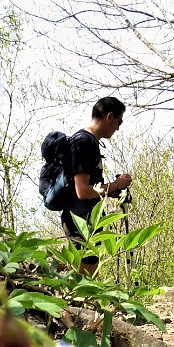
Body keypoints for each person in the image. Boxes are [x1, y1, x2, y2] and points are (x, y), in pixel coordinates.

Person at [61, 97, 132, 275]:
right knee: (86, 274)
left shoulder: (89, 142)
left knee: (86, 271)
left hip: (86, 218)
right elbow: (83, 191)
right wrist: (116, 183)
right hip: (81, 219)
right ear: (109, 116)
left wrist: (113, 190)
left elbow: (93, 188)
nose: (118, 127)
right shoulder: (83, 142)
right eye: (119, 121)